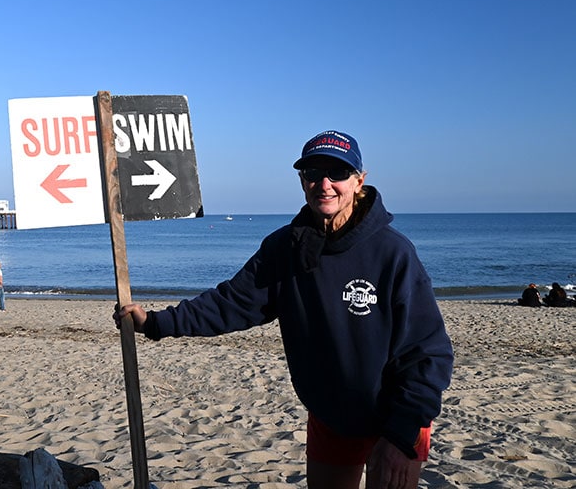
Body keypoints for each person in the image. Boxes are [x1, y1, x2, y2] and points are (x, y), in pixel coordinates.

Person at [115, 130, 454, 489]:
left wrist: (402, 433)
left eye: (337, 173)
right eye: (313, 173)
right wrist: (155, 322)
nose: (324, 184)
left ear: (359, 181)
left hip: (398, 414)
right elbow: (231, 302)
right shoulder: (285, 247)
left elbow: (428, 352)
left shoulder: (394, 253)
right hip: (331, 415)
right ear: (301, 180)